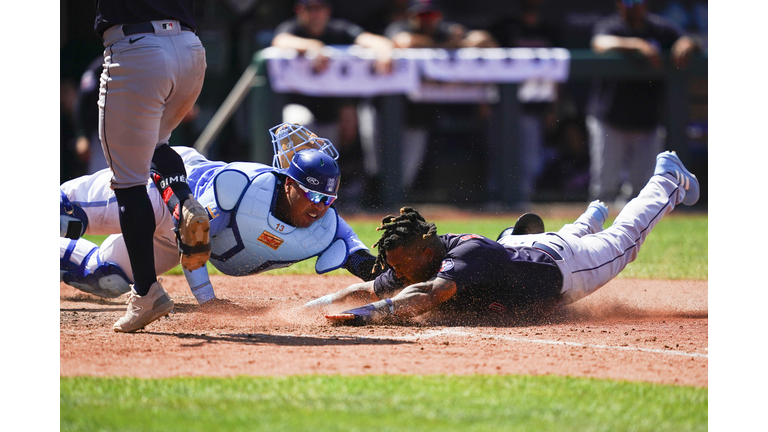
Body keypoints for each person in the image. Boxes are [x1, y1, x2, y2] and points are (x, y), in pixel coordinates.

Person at [305, 151, 699, 325]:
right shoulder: (411, 261)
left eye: (402, 264)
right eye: (394, 266)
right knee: (514, 244)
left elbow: (426, 297)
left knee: (624, 240)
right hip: (517, 249)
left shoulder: (462, 257)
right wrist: (315, 306)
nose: (397, 272)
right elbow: (369, 289)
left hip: (566, 266)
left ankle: (668, 178)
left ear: (426, 250)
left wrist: (376, 314)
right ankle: (589, 216)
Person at [60, 123, 385, 328]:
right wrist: (208, 301)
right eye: (312, 195)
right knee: (67, 215)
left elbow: (363, 263)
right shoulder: (243, 188)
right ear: (289, 184)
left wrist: (399, 271)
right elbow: (193, 232)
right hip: (161, 191)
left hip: (171, 239)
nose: (319, 207)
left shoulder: (327, 226)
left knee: (106, 279)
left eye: (327, 200)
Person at [93, 1, 212, 332]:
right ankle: (183, 201)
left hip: (137, 49)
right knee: (158, 144)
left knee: (128, 183)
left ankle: (146, 293)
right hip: (189, 49)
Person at [586, 0, 699, 205]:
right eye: (628, 2)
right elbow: (599, 43)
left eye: (638, 1)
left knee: (642, 190)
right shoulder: (612, 26)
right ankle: (597, 232)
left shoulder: (659, 27)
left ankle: (632, 234)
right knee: (604, 189)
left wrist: (686, 43)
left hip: (647, 121)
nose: (634, 6)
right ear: (620, 5)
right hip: (611, 119)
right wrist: (637, 45)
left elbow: (687, 39)